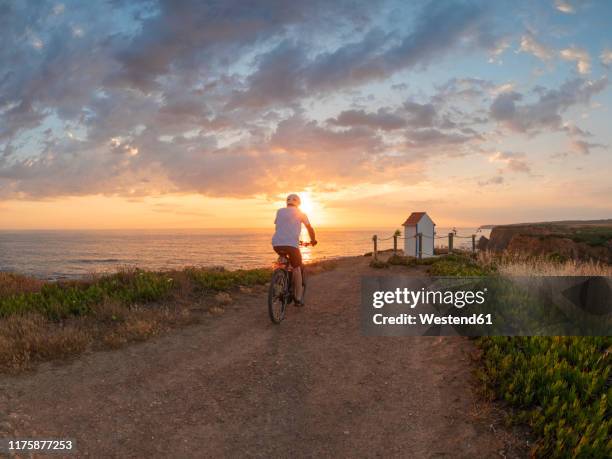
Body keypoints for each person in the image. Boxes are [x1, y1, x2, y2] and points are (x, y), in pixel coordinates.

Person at [272, 193, 317, 306]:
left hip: (277, 244)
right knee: (297, 268)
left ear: (287, 202)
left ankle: (279, 281)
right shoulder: (301, 214)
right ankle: (298, 298)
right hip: (291, 245)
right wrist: (313, 240)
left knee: (282, 262)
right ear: (298, 203)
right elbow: (309, 228)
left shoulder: (279, 211)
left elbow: (279, 227)